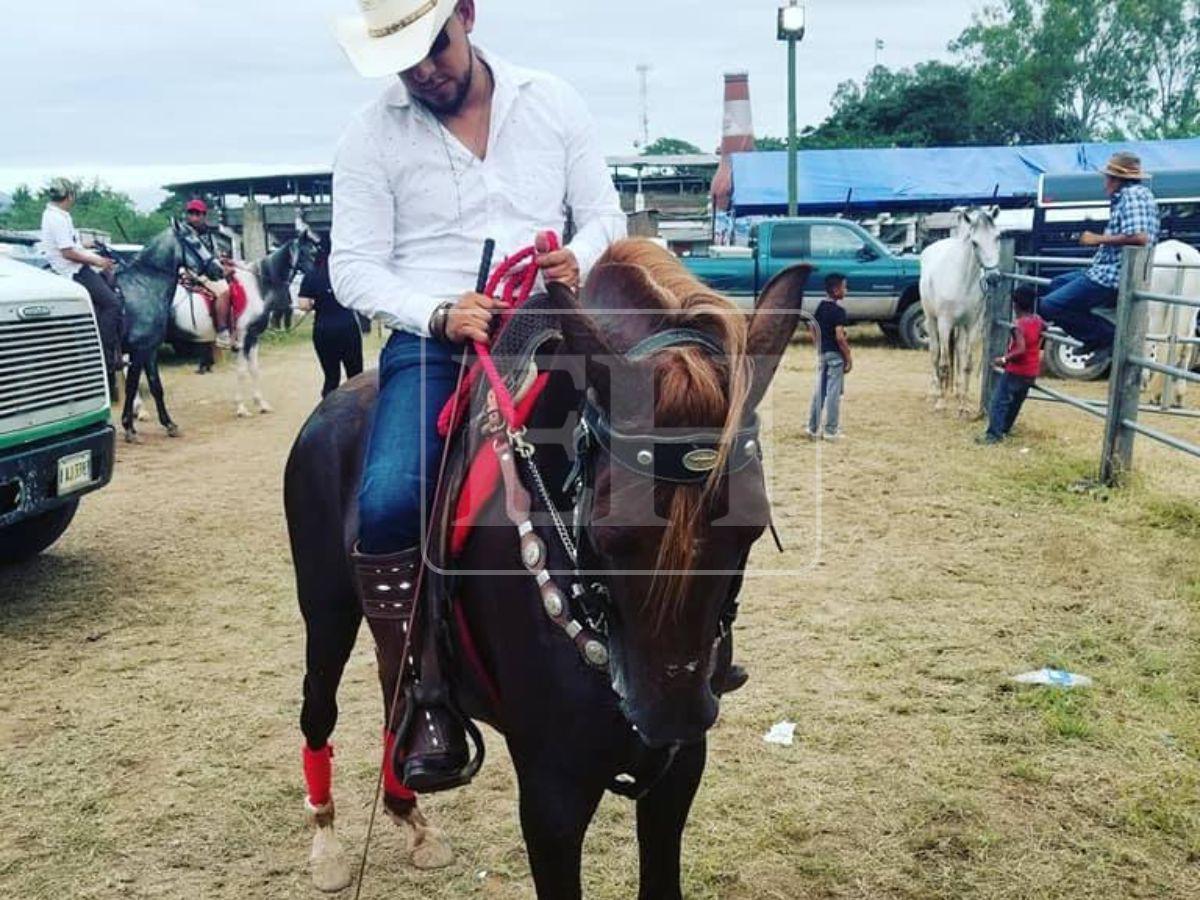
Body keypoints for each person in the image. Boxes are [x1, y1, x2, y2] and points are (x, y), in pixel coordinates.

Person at [329, 0, 625, 791]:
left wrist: (577, 254)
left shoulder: (551, 100)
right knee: (390, 501)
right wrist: (436, 310)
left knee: (657, 450)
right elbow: (350, 266)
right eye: (404, 60)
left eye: (434, 47)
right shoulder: (369, 135)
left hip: (551, 321)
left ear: (466, 13)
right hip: (434, 338)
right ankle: (422, 696)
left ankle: (678, 648)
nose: (424, 71)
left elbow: (602, 213)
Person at [1040, 151, 1159, 368]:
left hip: (1114, 274)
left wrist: (1097, 239)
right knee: (1056, 285)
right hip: (1106, 269)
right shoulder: (1134, 196)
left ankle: (1108, 338)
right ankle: (1095, 337)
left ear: (1118, 179)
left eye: (1108, 178)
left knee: (1049, 306)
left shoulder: (1132, 196)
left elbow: (1140, 237)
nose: (1105, 183)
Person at [38, 178, 123, 393]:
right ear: (70, 196)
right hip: (71, 271)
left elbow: (70, 244)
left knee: (111, 284)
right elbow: (67, 253)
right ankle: (106, 356)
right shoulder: (56, 218)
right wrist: (98, 261)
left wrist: (91, 245)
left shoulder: (57, 215)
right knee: (112, 304)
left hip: (72, 265)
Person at [978, 286, 1044, 445]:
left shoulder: (1018, 326)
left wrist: (1004, 359)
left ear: (1015, 305)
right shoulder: (1037, 321)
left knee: (999, 401)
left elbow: (1020, 349)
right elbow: (1044, 329)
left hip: (1016, 370)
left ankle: (994, 434)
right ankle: (1005, 428)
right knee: (1016, 402)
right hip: (1031, 371)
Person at [299, 234, 363, 397]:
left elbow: (303, 305)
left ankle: (328, 412)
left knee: (331, 377)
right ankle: (356, 414)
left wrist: (317, 303)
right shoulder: (347, 273)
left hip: (323, 330)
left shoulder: (311, 275)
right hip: (348, 327)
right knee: (355, 376)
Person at [806, 273, 853, 441]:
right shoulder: (839, 311)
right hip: (835, 356)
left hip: (823, 353)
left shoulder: (821, 307)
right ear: (836, 290)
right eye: (844, 287)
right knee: (833, 392)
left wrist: (818, 345)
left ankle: (812, 427)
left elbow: (811, 326)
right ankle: (831, 430)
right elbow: (840, 337)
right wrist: (848, 357)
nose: (846, 290)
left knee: (820, 390)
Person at [183, 198, 234, 349]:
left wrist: (224, 264)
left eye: (198, 214)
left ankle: (236, 329)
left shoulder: (210, 234)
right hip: (193, 271)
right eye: (191, 213)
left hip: (208, 270)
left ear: (204, 215)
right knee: (224, 291)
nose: (194, 217)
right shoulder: (185, 233)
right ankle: (222, 330)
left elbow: (214, 256)